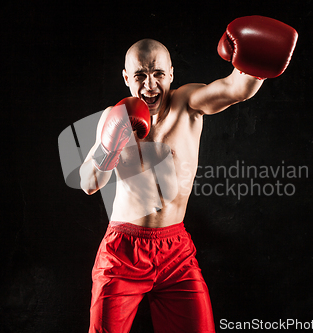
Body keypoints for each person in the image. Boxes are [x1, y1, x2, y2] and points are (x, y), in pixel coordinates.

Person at [79, 15, 298, 333]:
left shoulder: (188, 104)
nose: (150, 85)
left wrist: (255, 63)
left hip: (175, 252)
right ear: (126, 77)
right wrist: (108, 146)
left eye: (157, 74)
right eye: (140, 75)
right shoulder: (114, 119)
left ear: (171, 74)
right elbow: (88, 183)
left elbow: (235, 88)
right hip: (122, 252)